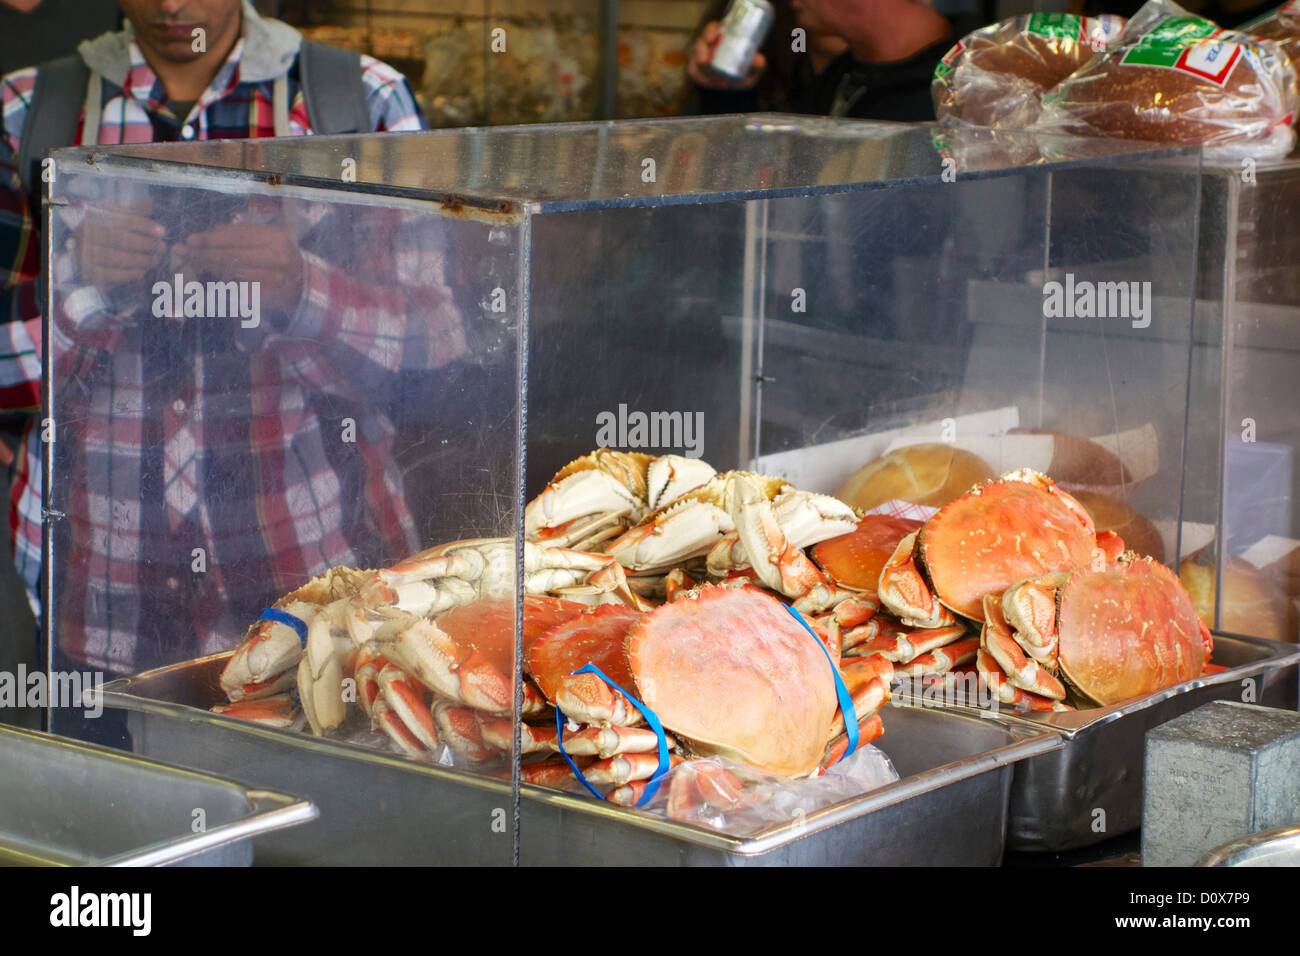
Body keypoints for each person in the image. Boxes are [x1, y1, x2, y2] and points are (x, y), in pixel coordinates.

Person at [0, 0, 458, 680]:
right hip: (97, 607)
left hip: (330, 606)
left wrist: (301, 288)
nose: (171, 4)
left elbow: (433, 353)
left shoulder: (360, 102)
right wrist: (81, 288)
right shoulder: (25, 113)